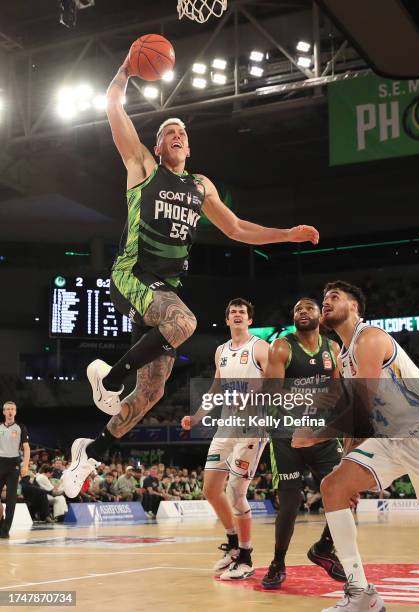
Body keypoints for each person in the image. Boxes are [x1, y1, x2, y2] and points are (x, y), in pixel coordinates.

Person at [61, 50, 319, 499]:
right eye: (168, 132)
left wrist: (288, 234)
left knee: (151, 394)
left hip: (164, 290)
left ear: (189, 147)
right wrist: (124, 68)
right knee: (185, 323)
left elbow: (238, 228)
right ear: (157, 146)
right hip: (132, 273)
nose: (176, 135)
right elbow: (112, 107)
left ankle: (90, 451)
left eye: (182, 132)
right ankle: (110, 378)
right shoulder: (142, 168)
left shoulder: (201, 186)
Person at [295, 280, 419, 612]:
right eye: (324, 297)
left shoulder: (371, 338)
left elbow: (362, 406)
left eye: (334, 297)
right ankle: (362, 594)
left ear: (355, 307)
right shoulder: (344, 356)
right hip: (391, 440)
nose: (326, 302)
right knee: (334, 486)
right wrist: (349, 466)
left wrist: (315, 434)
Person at [182, 298, 269, 580]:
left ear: (250, 320)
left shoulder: (259, 347)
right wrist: (196, 417)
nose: (238, 315)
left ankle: (246, 556)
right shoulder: (220, 351)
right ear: (227, 320)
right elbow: (216, 389)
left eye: (243, 312)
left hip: (253, 427)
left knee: (235, 491)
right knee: (210, 488)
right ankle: (232, 544)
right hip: (227, 426)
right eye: (233, 312)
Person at [261, 298, 345, 589]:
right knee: (291, 502)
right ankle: (277, 562)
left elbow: (336, 390)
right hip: (286, 434)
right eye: (297, 309)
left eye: (309, 308)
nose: (303, 312)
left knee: (345, 493)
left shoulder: (332, 349)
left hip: (320, 434)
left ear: (320, 316)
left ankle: (323, 549)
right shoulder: (282, 347)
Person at [0, 401, 30, 538]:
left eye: (12, 409)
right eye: (7, 409)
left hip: (14, 465)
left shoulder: (20, 427)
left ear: (15, 411)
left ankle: (5, 530)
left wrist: (26, 465)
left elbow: (26, 448)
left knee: (11, 499)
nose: (10, 411)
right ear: (4, 412)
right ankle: (1, 521)